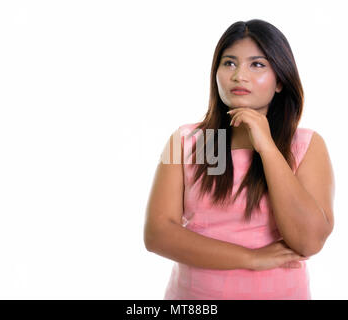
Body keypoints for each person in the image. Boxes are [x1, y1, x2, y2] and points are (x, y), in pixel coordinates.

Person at [143, 19, 335, 300]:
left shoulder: (306, 144)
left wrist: (267, 147)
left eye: (257, 64)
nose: (239, 76)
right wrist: (250, 258)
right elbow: (157, 235)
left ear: (280, 80)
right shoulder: (186, 141)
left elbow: (309, 241)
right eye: (229, 63)